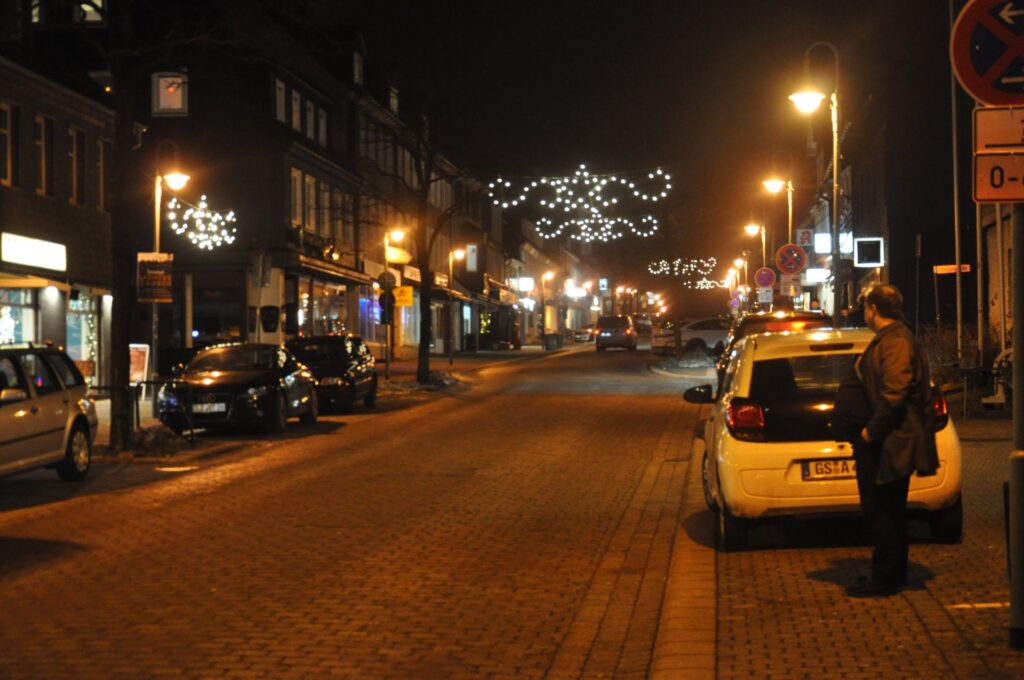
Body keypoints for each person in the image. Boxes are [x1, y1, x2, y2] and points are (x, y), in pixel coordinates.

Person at [845, 284, 939, 597]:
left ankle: (885, 578)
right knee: (890, 510)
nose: (864, 313)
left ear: (873, 309)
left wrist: (872, 431)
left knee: (882, 511)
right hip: (890, 438)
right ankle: (891, 572)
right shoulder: (893, 338)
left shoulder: (895, 341)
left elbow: (895, 391)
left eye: (866, 308)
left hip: (891, 440)